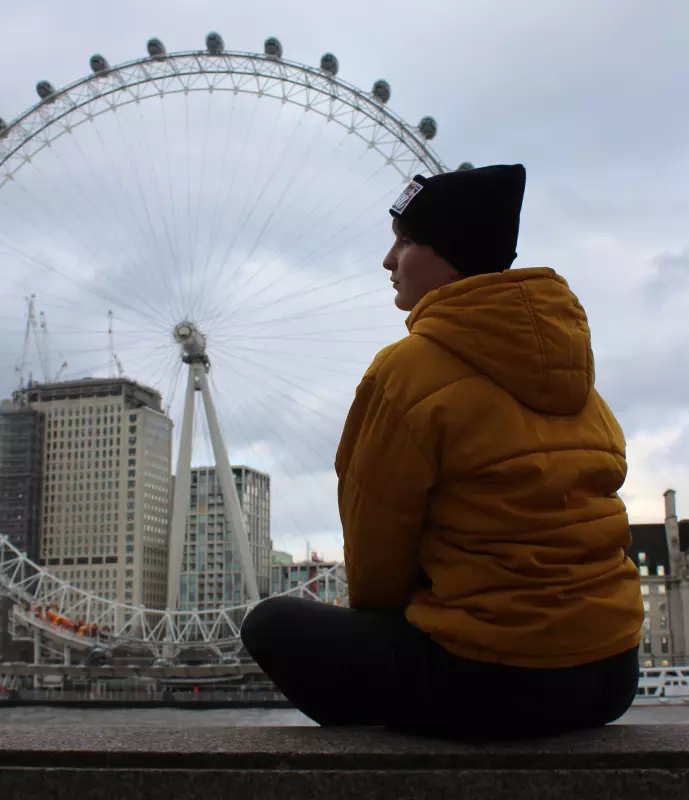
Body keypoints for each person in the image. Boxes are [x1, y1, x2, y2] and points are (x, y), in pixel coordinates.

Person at [241, 164, 643, 740]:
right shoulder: (578, 375)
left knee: (272, 622)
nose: (388, 260)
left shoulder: (407, 370)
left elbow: (378, 555)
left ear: (448, 254)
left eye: (405, 242)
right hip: (612, 673)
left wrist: (395, 623)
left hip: (493, 679)